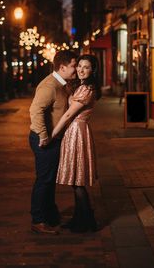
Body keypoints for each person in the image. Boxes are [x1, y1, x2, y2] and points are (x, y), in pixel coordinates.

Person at [52, 54, 101, 233]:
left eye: (86, 67)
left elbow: (68, 115)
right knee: (75, 180)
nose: (81, 69)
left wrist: (53, 133)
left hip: (77, 132)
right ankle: (80, 218)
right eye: (79, 66)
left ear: (92, 70)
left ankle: (88, 221)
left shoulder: (87, 89)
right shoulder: (81, 86)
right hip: (74, 131)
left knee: (78, 181)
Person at [29, 50, 77, 234]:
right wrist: (43, 135)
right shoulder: (49, 85)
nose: (76, 69)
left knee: (49, 180)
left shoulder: (62, 83)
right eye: (73, 65)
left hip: (53, 138)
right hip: (44, 140)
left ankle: (50, 215)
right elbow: (35, 111)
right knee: (44, 180)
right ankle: (38, 219)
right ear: (62, 67)